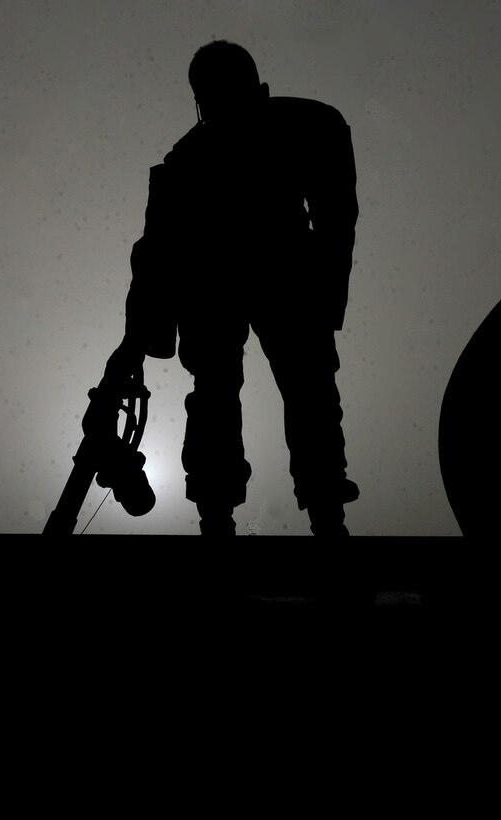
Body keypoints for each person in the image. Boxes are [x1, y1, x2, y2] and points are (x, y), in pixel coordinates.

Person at [114, 40, 359, 535]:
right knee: (234, 393)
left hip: (271, 275)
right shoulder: (186, 162)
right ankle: (244, 515)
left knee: (286, 389)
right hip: (227, 283)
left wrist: (328, 291)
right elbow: (156, 255)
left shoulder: (296, 128)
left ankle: (313, 514)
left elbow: (336, 214)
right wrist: (136, 344)